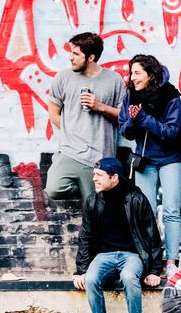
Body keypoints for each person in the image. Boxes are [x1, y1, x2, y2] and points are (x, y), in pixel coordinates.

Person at [74, 158, 162, 313]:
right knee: (90, 279)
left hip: (132, 255)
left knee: (129, 277)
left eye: (99, 175)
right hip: (104, 255)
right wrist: (81, 271)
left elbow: (152, 235)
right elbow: (85, 236)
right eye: (94, 174)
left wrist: (154, 270)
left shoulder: (136, 199)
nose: (94, 179)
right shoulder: (93, 201)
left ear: (114, 177)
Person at [117, 54, 181, 274]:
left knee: (171, 210)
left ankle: (171, 261)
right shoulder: (131, 96)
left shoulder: (170, 96)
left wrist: (144, 119)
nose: (132, 77)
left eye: (137, 73)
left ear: (151, 75)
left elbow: (171, 133)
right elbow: (125, 130)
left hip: (170, 158)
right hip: (145, 160)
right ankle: (149, 260)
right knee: (144, 211)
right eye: (131, 73)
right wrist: (133, 120)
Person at [46, 32, 125, 202]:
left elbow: (123, 117)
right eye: (71, 52)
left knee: (95, 208)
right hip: (70, 152)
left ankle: (86, 189)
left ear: (91, 57)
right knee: (53, 189)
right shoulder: (62, 78)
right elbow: (53, 113)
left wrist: (100, 106)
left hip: (100, 156)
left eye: (76, 54)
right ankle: (78, 182)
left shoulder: (114, 80)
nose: (71, 57)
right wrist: (71, 135)